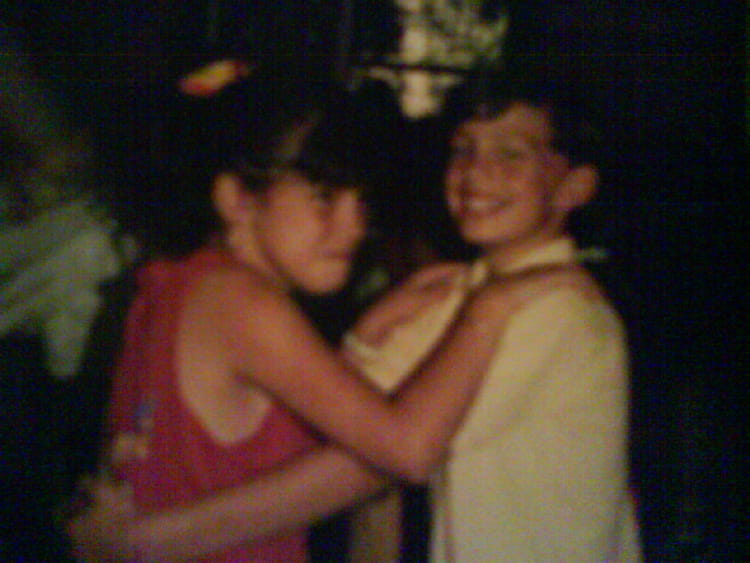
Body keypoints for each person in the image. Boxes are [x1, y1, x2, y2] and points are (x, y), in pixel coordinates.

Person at [67, 77, 592, 562]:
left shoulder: (177, 285)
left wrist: (364, 337)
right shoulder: (241, 301)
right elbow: (405, 451)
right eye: (323, 197)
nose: (352, 227)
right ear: (237, 200)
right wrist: (488, 309)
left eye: (360, 202)